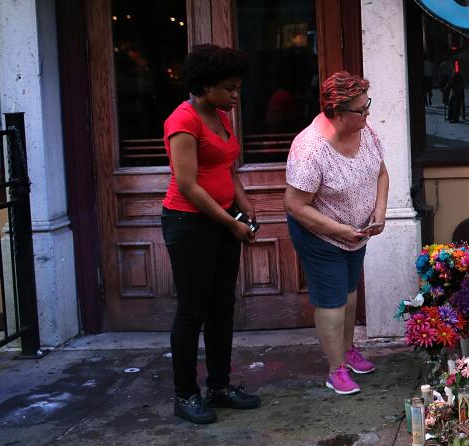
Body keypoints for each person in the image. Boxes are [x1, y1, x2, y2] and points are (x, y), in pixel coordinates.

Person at [162, 44, 261, 424]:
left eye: (237, 88)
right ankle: (185, 394)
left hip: (222, 219)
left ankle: (219, 387)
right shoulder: (182, 121)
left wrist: (244, 202)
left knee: (222, 307)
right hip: (189, 224)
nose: (235, 96)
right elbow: (187, 184)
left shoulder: (221, 117)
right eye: (228, 88)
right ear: (203, 86)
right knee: (192, 310)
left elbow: (226, 168)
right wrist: (230, 221)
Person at [284, 71, 388, 395]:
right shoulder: (310, 149)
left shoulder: (365, 131)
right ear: (338, 111)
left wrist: (380, 211)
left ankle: (347, 350)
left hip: (357, 233)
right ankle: (335, 369)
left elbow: (381, 173)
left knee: (349, 292)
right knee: (331, 300)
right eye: (361, 109)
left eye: (366, 105)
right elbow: (295, 205)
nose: (367, 113)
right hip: (321, 234)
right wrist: (341, 230)